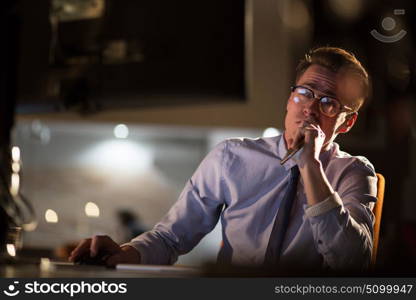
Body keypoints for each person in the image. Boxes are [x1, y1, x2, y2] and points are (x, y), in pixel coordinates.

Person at [69, 47, 377, 272]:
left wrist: (310, 165)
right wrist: (125, 254)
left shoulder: (354, 173)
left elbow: (353, 263)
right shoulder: (232, 156)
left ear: (346, 123)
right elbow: (171, 237)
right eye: (305, 93)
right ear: (289, 98)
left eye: (329, 103)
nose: (310, 109)